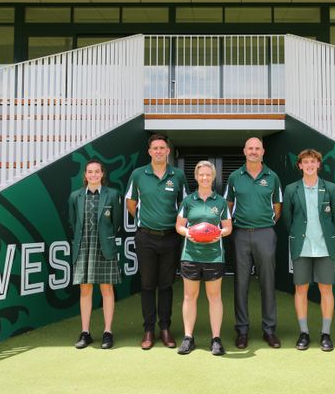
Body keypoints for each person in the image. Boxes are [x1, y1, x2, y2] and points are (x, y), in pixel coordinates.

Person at [125, 133, 188, 350]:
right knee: (147, 285)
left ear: (168, 151)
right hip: (146, 237)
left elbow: (184, 205)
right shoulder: (138, 174)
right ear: (149, 152)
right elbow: (131, 202)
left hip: (171, 237)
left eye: (162, 148)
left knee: (167, 285)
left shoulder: (178, 175)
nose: (159, 151)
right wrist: (145, 220)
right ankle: (149, 330)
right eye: (155, 148)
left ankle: (165, 328)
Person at [225, 137, 283, 349]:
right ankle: (242, 331)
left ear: (263, 151)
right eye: (250, 148)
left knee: (267, 282)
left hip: (265, 233)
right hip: (240, 234)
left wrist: (264, 225)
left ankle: (269, 330)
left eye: (257, 148)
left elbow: (277, 207)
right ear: (244, 151)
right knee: (241, 284)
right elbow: (228, 205)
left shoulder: (272, 177)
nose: (254, 151)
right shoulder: (234, 176)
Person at [282, 149, 335, 351]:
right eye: (305, 162)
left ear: (318, 165)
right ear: (300, 166)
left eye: (312, 162)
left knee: (326, 289)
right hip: (301, 247)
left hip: (325, 247)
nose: (309, 165)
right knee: (301, 289)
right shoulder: (291, 189)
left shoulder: (331, 188)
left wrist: (327, 235)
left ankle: (326, 334)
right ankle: (304, 333)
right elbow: (287, 219)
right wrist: (297, 234)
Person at [175, 161, 232, 356]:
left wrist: (219, 233)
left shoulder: (221, 202)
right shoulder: (188, 201)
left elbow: (228, 227)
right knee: (189, 296)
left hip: (214, 255)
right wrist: (188, 233)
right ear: (196, 177)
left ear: (213, 177)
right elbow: (179, 225)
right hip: (190, 255)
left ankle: (216, 339)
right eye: (201, 175)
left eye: (208, 174)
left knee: (214, 297)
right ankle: (188, 338)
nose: (205, 178)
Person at [68, 159, 122, 350]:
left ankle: (108, 332)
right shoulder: (75, 196)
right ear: (85, 175)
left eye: (97, 171)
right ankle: (85, 333)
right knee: (85, 290)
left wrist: (105, 237)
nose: (93, 175)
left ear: (102, 174)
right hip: (83, 247)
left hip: (104, 246)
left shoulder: (112, 194)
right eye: (90, 172)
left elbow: (116, 222)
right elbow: (73, 222)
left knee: (107, 289)